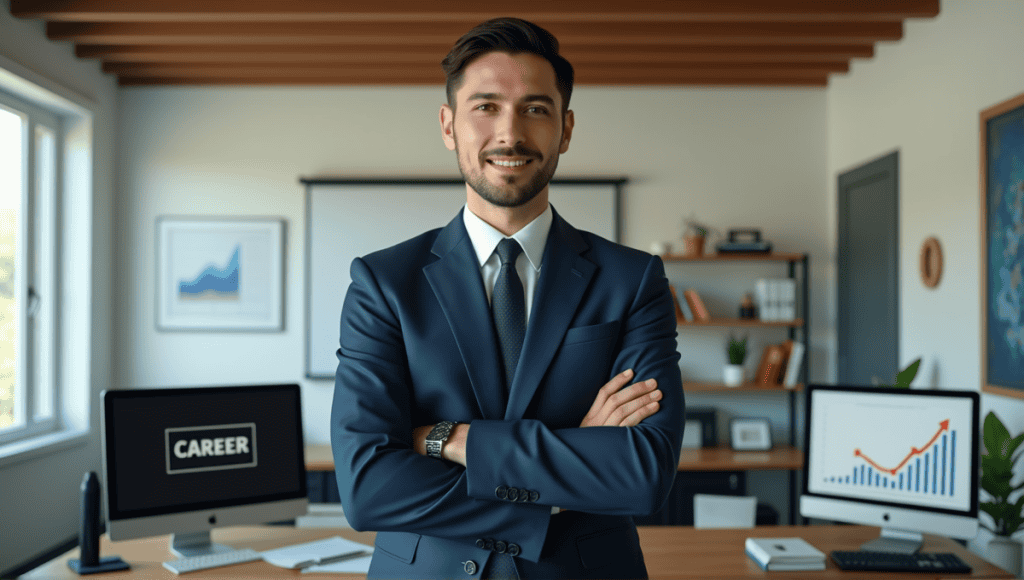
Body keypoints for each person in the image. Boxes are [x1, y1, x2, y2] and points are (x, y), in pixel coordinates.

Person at [331, 17, 684, 580]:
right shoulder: (383, 283)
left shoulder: (633, 280)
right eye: (486, 107)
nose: (510, 133)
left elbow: (643, 474)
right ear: (449, 125)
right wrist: (572, 463)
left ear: (565, 130)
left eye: (535, 109)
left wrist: (445, 439)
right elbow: (368, 489)